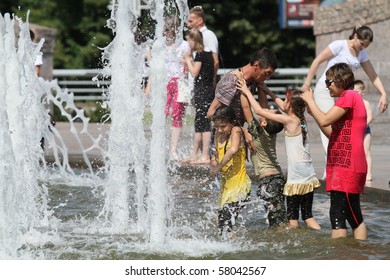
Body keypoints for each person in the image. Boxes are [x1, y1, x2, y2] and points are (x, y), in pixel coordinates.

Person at [301, 25, 388, 178]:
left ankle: (335, 169)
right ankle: (330, 172)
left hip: (342, 93)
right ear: (355, 36)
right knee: (328, 127)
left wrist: (383, 93)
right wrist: (307, 84)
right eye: (362, 44)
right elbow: (318, 60)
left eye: (366, 46)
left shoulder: (362, 53)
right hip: (326, 89)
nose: (363, 48)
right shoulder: (339, 45)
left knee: (339, 130)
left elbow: (372, 75)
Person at [238, 82, 321, 229]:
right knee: (308, 216)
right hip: (308, 173)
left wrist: (246, 90)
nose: (283, 103)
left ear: (290, 106)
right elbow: (282, 106)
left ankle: (294, 245)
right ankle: (321, 238)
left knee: (292, 218)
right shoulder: (301, 120)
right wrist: (264, 89)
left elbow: (258, 110)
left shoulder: (289, 120)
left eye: (286, 100)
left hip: (297, 175)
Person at [301, 62, 367, 240]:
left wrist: (310, 100)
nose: (326, 86)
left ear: (340, 80)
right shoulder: (348, 99)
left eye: (328, 82)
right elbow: (331, 132)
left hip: (347, 166)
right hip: (345, 165)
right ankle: (357, 254)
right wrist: (314, 112)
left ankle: (339, 258)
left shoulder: (349, 96)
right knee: (353, 216)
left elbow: (324, 120)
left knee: (339, 215)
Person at [210, 106, 251, 237]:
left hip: (239, 187)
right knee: (222, 225)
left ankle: (233, 250)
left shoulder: (236, 131)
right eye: (217, 126)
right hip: (226, 188)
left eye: (223, 126)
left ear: (232, 122)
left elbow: (233, 150)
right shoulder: (218, 133)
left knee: (226, 223)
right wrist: (214, 162)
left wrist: (218, 167)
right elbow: (216, 154)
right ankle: (233, 248)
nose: (219, 130)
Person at [181, 28, 214, 164]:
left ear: (194, 40)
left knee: (204, 123)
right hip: (204, 91)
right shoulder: (208, 54)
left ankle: (205, 155)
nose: (188, 44)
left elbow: (194, 72)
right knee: (199, 122)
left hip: (204, 92)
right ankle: (195, 154)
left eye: (189, 41)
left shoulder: (201, 54)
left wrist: (188, 60)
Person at [163, 15, 191, 160]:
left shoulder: (184, 45)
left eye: (168, 30)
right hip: (165, 81)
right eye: (164, 30)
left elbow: (189, 65)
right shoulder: (160, 44)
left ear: (174, 29)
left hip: (181, 82)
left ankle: (173, 149)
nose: (165, 33)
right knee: (162, 113)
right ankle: (161, 146)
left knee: (177, 115)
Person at [187, 6, 219, 88]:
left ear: (200, 21)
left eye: (191, 21)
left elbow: (215, 62)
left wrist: (213, 80)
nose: (188, 25)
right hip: (196, 82)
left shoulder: (208, 35)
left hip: (204, 84)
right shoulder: (195, 36)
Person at [354, 79, 373, 182]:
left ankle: (369, 173)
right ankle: (357, 171)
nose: (355, 94)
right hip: (355, 131)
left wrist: (363, 125)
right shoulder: (352, 104)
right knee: (356, 152)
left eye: (357, 92)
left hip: (365, 131)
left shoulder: (365, 103)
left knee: (366, 151)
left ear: (363, 92)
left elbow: (370, 117)